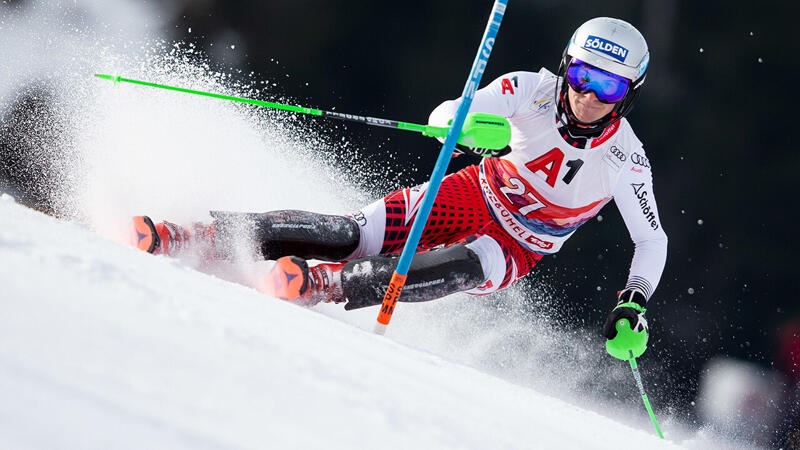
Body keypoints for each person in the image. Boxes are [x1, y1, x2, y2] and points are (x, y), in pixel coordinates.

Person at [131, 17, 666, 358]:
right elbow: (446, 114)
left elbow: (652, 240)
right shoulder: (531, 90)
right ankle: (198, 236)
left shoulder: (626, 158)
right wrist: (468, 126)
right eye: (583, 77)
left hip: (519, 244)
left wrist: (633, 303)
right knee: (349, 233)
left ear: (629, 94)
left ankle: (323, 285)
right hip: (473, 193)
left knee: (462, 265)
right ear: (567, 69)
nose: (589, 96)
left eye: (609, 86)